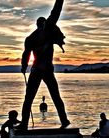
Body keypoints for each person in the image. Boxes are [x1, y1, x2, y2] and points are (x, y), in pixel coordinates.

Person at [16, 0, 70, 130]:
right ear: (44, 24)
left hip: (37, 69)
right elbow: (56, 12)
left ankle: (24, 124)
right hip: (47, 70)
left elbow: (26, 54)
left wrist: (23, 67)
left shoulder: (30, 38)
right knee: (55, 96)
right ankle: (64, 120)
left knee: (28, 98)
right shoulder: (47, 31)